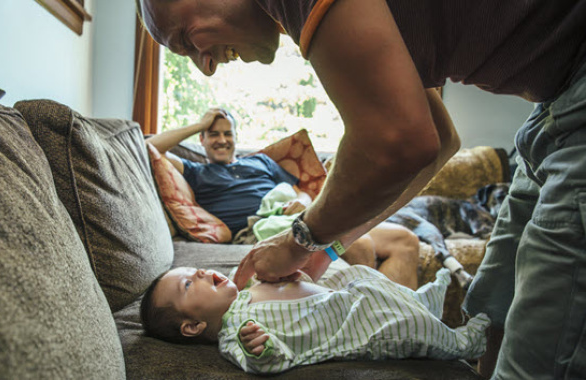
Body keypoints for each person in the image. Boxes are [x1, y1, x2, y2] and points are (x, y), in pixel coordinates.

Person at [135, 1, 586, 378]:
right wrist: (324, 243)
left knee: (538, 349)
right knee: (495, 306)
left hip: (575, 93)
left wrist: (302, 236)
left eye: (184, 38)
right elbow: (437, 140)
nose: (206, 66)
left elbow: (401, 140)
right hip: (550, 117)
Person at [145, 108, 420, 289]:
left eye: (227, 133)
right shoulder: (196, 171)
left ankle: (408, 327)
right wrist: (199, 123)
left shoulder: (260, 162)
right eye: (213, 134)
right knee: (358, 243)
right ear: (202, 140)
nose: (221, 139)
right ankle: (379, 319)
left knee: (405, 240)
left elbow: (297, 189)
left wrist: (303, 202)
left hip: (296, 215)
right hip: (263, 227)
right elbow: (147, 146)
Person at [139, 264, 490, 374]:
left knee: (360, 273)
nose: (201, 271)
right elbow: (261, 363)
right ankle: (463, 343)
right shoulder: (235, 332)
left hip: (341, 298)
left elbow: (302, 288)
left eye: (193, 270)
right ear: (193, 326)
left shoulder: (244, 292)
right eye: (189, 283)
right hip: (355, 327)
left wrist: (299, 278)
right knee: (402, 323)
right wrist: (261, 349)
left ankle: (422, 300)